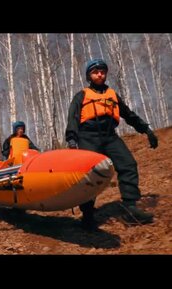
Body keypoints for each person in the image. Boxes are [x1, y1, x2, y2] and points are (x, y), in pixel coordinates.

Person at [65, 58, 158, 230]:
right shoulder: (81, 95)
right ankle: (87, 215)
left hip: (110, 136)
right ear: (89, 75)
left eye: (102, 71)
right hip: (88, 136)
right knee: (90, 175)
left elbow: (129, 115)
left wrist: (146, 130)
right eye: (95, 72)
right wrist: (72, 139)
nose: (100, 74)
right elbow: (73, 118)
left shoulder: (113, 95)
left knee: (128, 164)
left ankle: (130, 208)